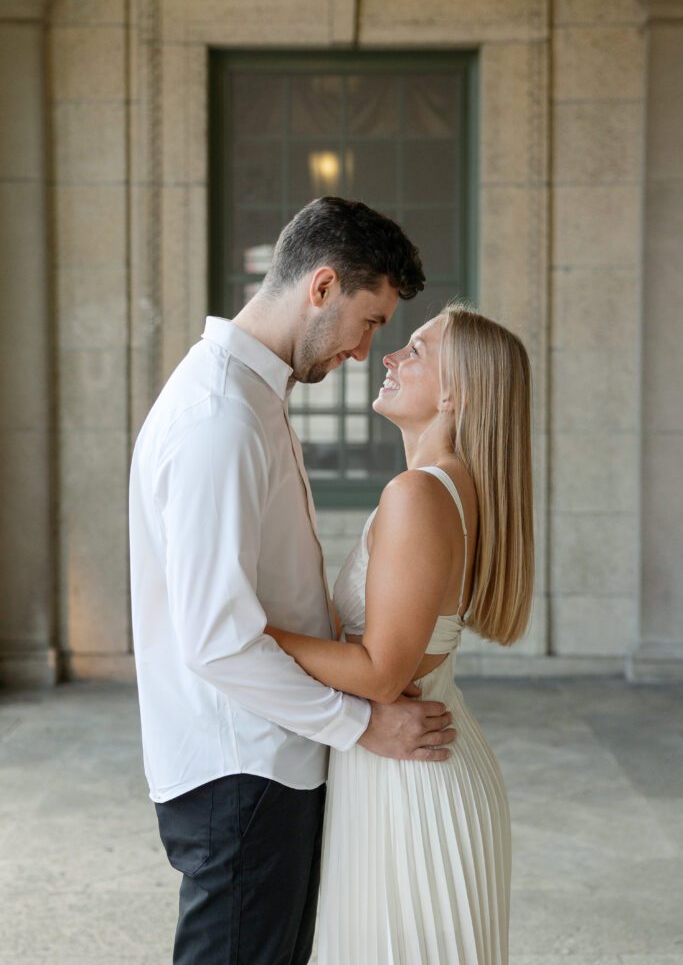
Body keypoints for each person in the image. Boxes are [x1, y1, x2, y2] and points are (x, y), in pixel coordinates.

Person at [128, 196, 458, 965]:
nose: (363, 348)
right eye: (369, 319)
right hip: (241, 766)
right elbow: (215, 641)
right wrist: (361, 724)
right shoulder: (220, 417)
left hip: (261, 756)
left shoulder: (249, 397)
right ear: (321, 287)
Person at [266, 302, 535, 964]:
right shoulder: (453, 489)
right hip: (416, 767)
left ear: (457, 390)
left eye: (416, 349)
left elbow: (382, 674)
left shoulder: (418, 493)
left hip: (411, 784)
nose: (389, 356)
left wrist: (248, 632)